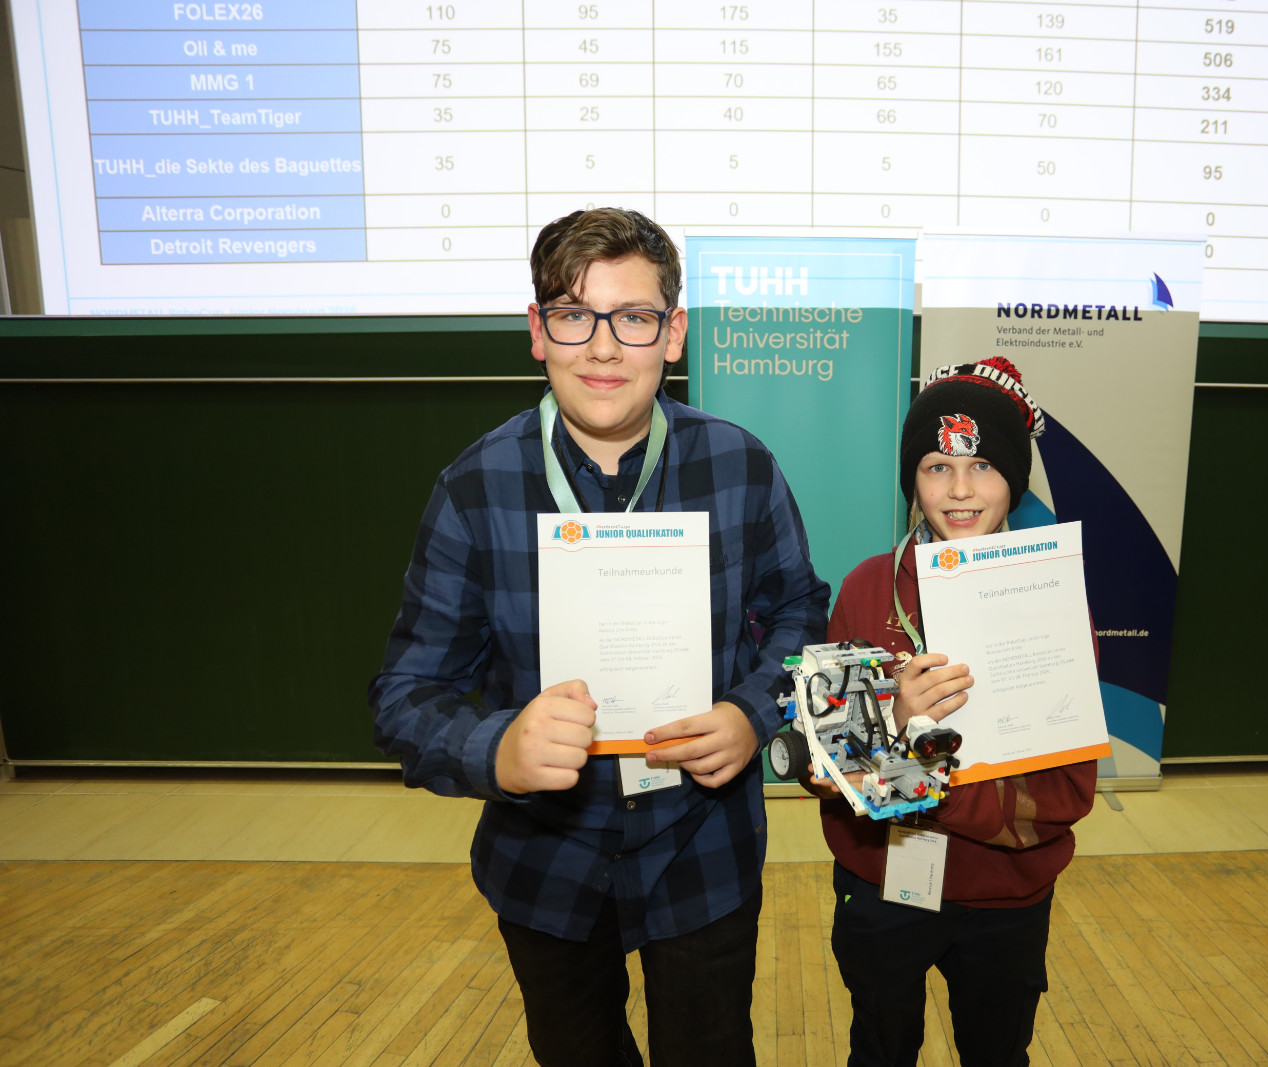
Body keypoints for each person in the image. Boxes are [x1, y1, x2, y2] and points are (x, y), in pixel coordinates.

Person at [368, 207, 831, 1067]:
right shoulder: (474, 489)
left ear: (674, 333)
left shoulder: (741, 466)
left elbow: (801, 614)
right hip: (547, 864)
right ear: (537, 331)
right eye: (575, 315)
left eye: (635, 317)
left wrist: (752, 713)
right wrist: (496, 749)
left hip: (702, 850)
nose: (605, 347)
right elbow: (403, 697)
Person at [807, 356, 1098, 1067]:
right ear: (913, 479)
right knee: (880, 1047)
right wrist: (892, 721)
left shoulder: (1055, 599)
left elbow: (1068, 790)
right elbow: (824, 767)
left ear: (1014, 480)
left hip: (1007, 896)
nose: (960, 490)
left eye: (983, 466)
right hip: (883, 881)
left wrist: (911, 780)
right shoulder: (867, 587)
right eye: (937, 466)